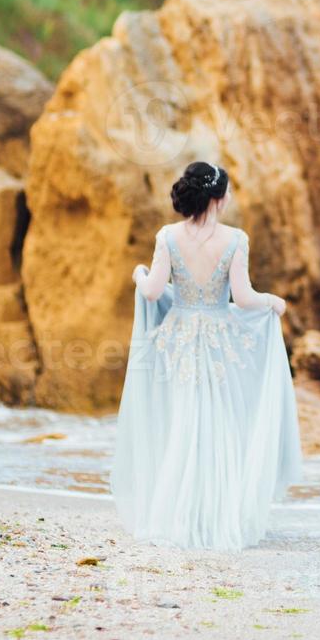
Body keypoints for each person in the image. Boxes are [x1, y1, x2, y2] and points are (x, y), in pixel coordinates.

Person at [112, 161, 302, 551]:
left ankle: (178, 516)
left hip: (179, 337)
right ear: (217, 197)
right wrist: (274, 302)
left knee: (183, 419)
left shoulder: (168, 236)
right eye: (228, 191)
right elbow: (245, 298)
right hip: (219, 339)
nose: (230, 197)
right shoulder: (235, 239)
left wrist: (137, 274)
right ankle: (215, 519)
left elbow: (151, 292)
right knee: (218, 422)